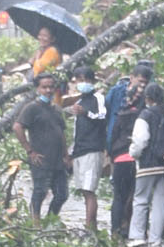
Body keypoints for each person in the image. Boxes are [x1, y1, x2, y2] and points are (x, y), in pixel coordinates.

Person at [127, 81, 164, 247]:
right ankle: (155, 241)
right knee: (161, 202)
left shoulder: (145, 115)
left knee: (141, 199)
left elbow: (141, 140)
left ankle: (137, 236)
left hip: (149, 163)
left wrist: (134, 154)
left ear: (148, 98)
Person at [19, 72, 72, 216]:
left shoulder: (56, 109)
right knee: (40, 192)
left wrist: (66, 155)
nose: (48, 91)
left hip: (58, 160)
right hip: (41, 158)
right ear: (38, 89)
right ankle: (35, 222)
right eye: (44, 87)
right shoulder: (32, 108)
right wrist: (30, 151)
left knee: (62, 194)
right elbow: (17, 127)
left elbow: (61, 133)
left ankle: (51, 219)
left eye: (51, 87)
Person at [105, 66, 148, 241]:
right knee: (135, 196)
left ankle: (116, 230)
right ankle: (130, 228)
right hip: (138, 159)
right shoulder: (145, 115)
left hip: (121, 158)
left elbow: (112, 135)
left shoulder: (121, 114)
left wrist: (110, 153)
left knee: (119, 196)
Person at [68, 78, 108, 234]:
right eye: (78, 80)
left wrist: (87, 113)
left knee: (89, 190)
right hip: (79, 150)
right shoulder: (79, 101)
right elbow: (76, 130)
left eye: (84, 79)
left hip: (93, 149)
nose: (80, 83)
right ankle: (90, 226)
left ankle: (90, 228)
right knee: (84, 191)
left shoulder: (98, 98)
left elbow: (103, 117)